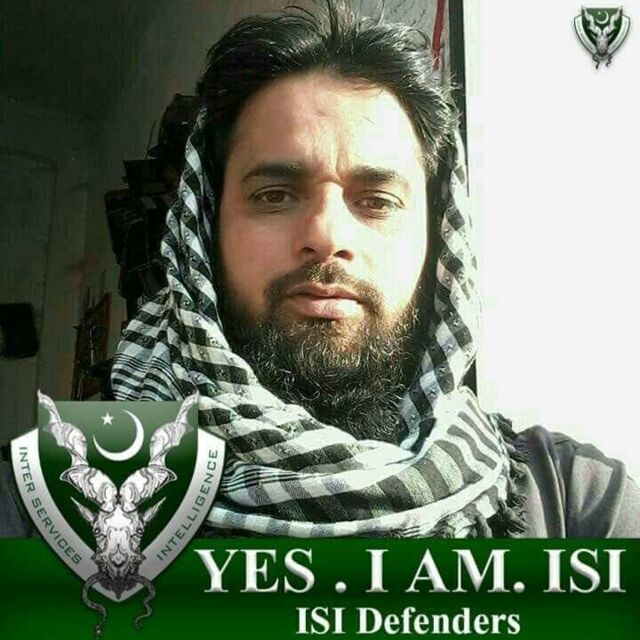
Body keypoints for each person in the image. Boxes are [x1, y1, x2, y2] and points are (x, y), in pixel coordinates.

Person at [1, 1, 638, 538]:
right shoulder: (41, 509)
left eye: (377, 201)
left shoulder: (575, 505)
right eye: (275, 195)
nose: (326, 235)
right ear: (204, 232)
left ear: (442, 242)